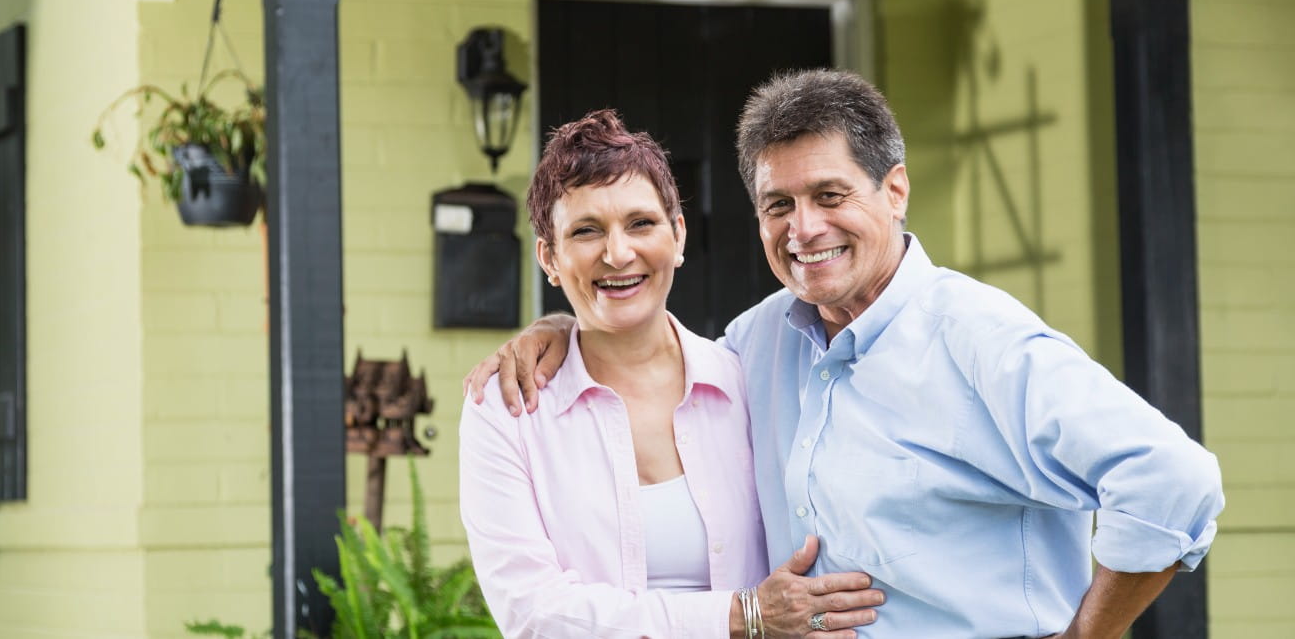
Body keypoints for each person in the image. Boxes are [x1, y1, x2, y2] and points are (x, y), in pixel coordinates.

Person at [465, 70, 1225, 638]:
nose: (804, 228)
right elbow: (639, 343)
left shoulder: (979, 339)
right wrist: (560, 330)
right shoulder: (756, 348)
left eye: (830, 196)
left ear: (894, 190)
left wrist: (1088, 635)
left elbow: (1172, 481)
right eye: (778, 205)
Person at [459, 109, 884, 638]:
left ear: (678, 235)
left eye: (641, 223)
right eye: (587, 231)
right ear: (550, 256)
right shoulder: (509, 410)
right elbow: (534, 614)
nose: (618, 254)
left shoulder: (748, 376)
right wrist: (744, 616)